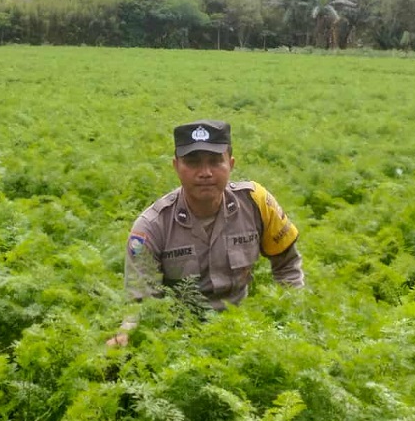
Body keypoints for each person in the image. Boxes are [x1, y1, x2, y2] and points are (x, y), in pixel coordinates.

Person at [109, 119, 304, 346]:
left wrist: (294, 321)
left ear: (230, 164)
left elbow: (288, 265)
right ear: (176, 166)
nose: (205, 173)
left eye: (215, 161)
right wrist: (127, 333)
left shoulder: (256, 203)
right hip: (179, 344)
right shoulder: (152, 226)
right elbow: (141, 303)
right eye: (193, 163)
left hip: (245, 334)